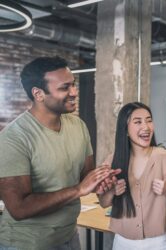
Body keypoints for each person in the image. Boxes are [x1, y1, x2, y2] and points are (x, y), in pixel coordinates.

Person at [0, 56, 118, 249]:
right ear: (38, 94)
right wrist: (79, 189)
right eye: (65, 88)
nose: (74, 92)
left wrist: (103, 180)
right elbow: (19, 208)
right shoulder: (13, 138)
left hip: (69, 236)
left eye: (73, 84)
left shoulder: (78, 126)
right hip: (25, 244)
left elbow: (85, 177)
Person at [98, 102, 166, 250]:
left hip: (158, 243)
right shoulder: (112, 161)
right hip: (122, 243)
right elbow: (103, 203)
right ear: (125, 130)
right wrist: (112, 192)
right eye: (138, 122)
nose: (146, 127)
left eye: (149, 120)